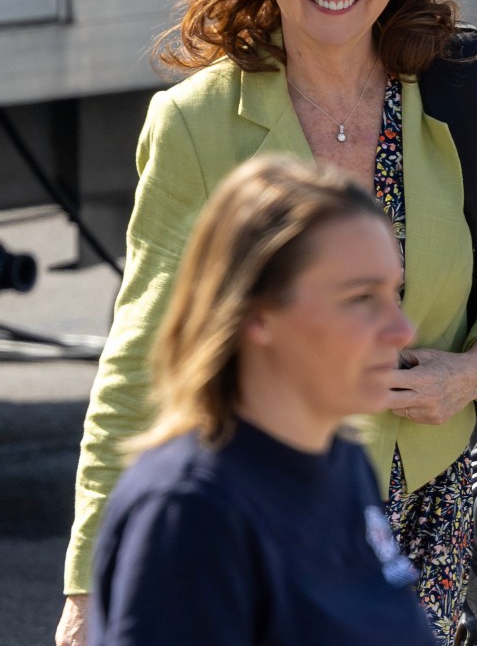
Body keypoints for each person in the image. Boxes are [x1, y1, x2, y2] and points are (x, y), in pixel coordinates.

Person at [57, 0, 477, 646]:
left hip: (433, 504)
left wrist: (471, 373)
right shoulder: (195, 124)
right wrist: (86, 585)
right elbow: (141, 357)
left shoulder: (471, 83)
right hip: (267, 498)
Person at [89, 154, 436, 645]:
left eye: (393, 294)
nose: (400, 330)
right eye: (361, 299)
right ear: (257, 314)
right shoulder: (189, 512)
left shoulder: (344, 463)